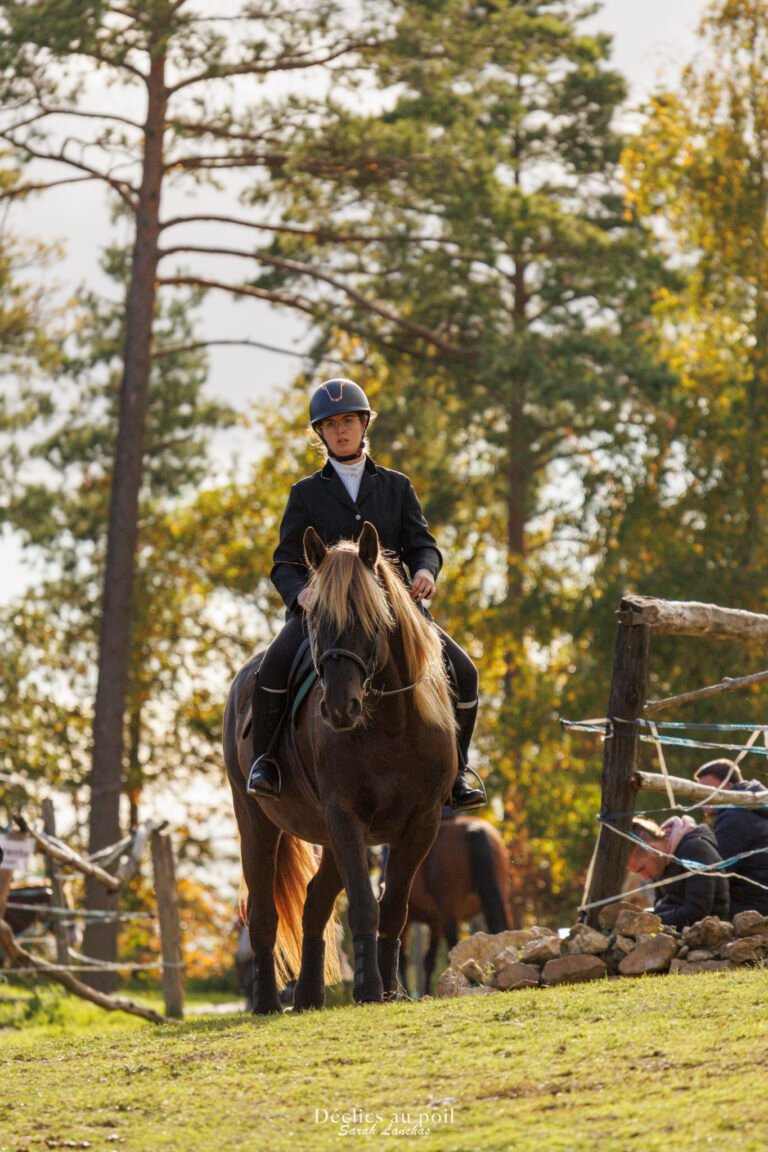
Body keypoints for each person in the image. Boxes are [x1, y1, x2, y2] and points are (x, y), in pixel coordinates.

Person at [246, 376, 487, 812]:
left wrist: (426, 571)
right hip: (326, 614)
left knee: (465, 672)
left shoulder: (396, 486)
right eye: (331, 424)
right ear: (321, 433)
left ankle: (457, 772)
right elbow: (284, 563)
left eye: (348, 422)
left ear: (363, 424)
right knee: (271, 668)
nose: (340, 431)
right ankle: (266, 763)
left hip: (392, 614)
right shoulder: (305, 493)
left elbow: (422, 545)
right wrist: (300, 595)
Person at [692, 758, 768, 917]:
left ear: (727, 786)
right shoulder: (750, 809)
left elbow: (720, 869)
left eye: (706, 790)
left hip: (749, 907)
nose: (700, 798)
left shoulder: (735, 816)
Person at [626, 814, 729, 928]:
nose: (645, 877)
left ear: (653, 849)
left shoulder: (695, 849)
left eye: (642, 869)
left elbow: (697, 911)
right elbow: (661, 905)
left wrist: (649, 921)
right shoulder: (662, 862)